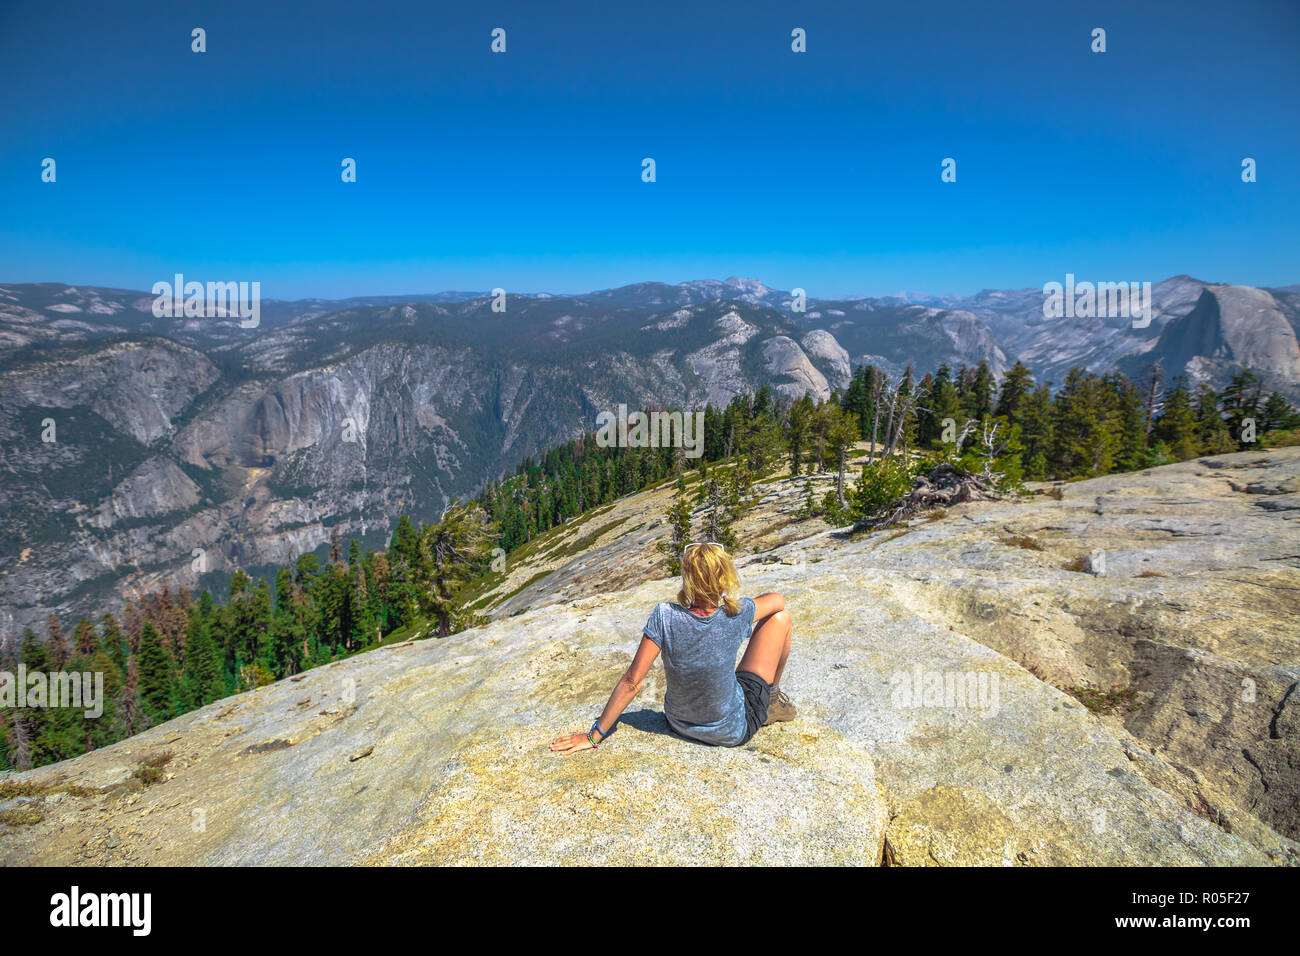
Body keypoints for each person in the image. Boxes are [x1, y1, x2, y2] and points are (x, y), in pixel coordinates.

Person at [549, 541, 795, 755]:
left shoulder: (664, 615)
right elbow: (778, 601)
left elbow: (632, 682)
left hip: (678, 723)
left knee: (734, 676)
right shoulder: (737, 613)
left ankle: (766, 699)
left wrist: (594, 736)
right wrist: (735, 601)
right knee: (781, 618)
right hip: (730, 732)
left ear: (688, 579)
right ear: (724, 577)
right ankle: (771, 700)